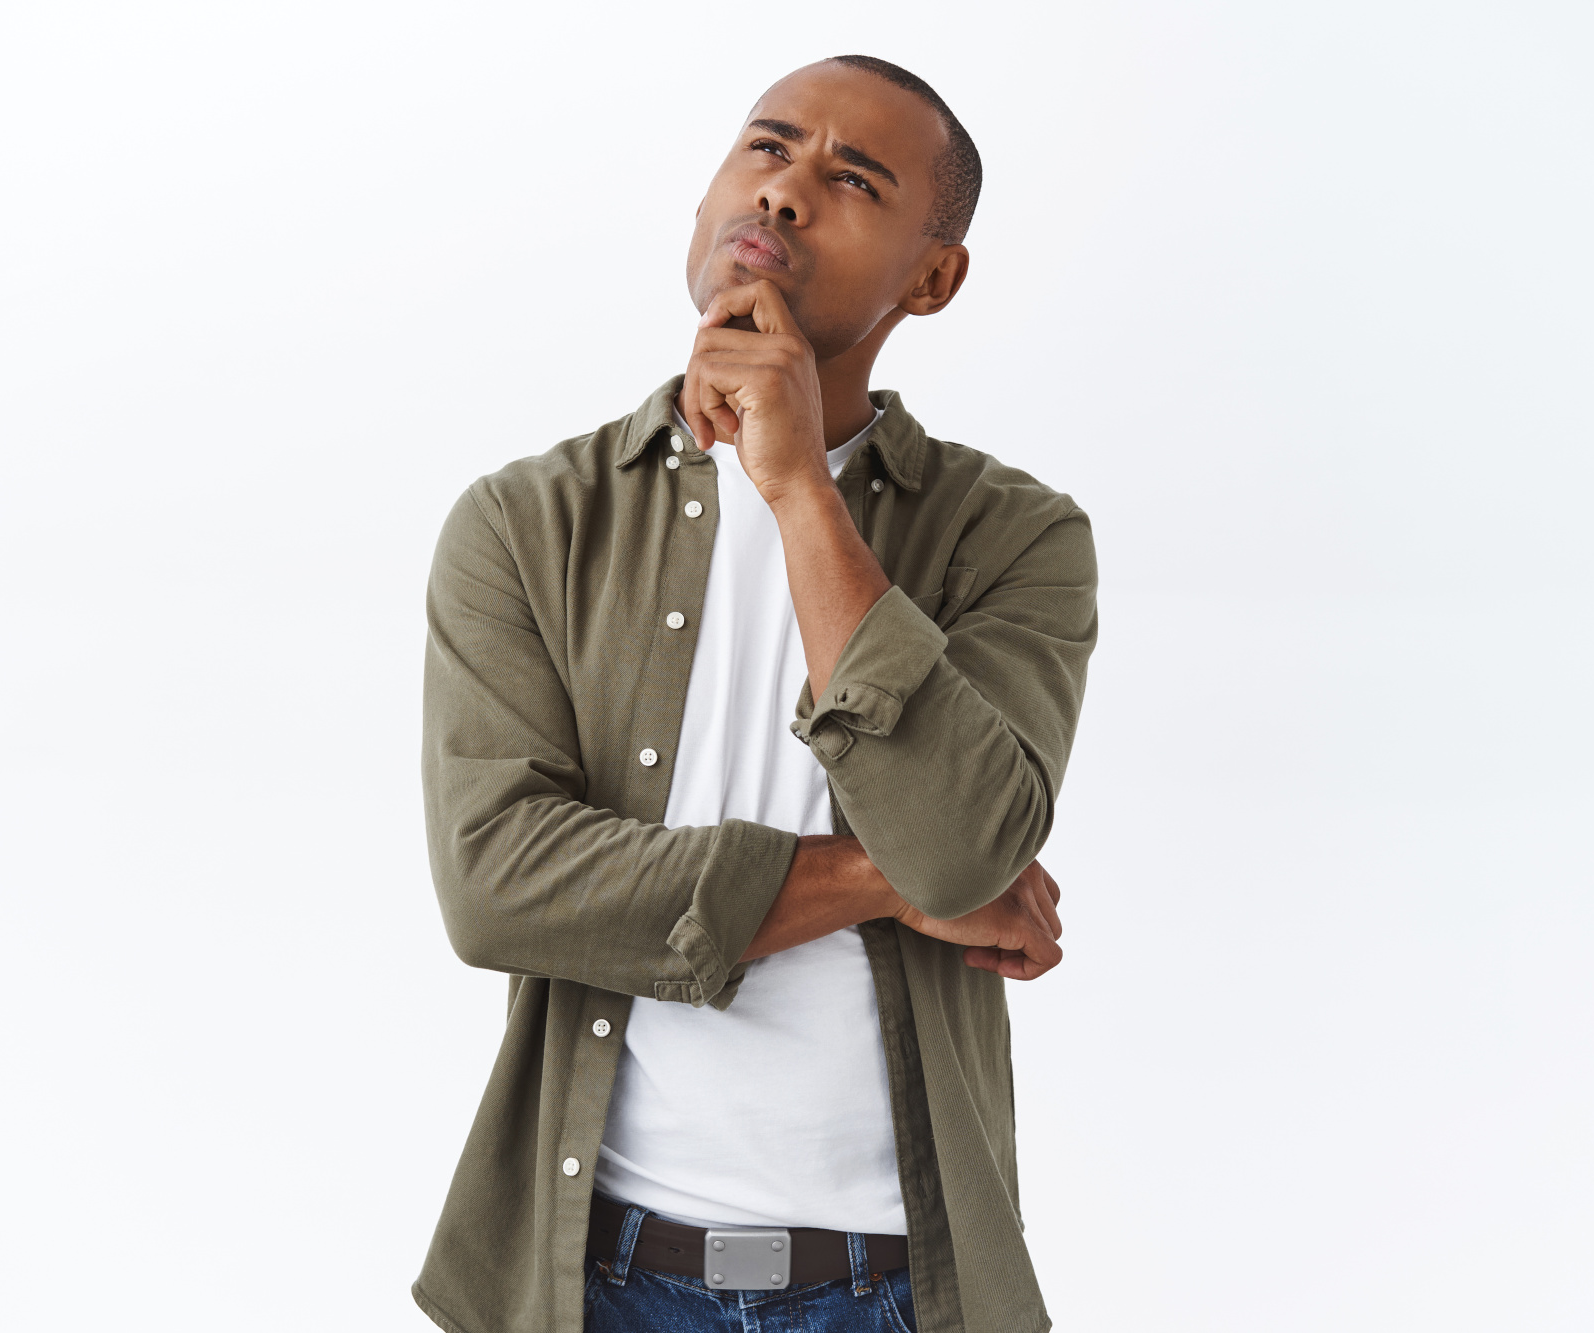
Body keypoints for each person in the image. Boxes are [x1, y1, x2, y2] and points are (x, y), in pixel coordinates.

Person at [414, 54, 1097, 1333]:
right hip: (590, 1278)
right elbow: (495, 884)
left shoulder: (1011, 536)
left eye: (853, 179)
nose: (784, 192)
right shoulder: (527, 524)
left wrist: (797, 492)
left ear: (931, 278)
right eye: (767, 149)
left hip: (896, 1288)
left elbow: (964, 843)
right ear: (704, 201)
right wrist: (888, 880)